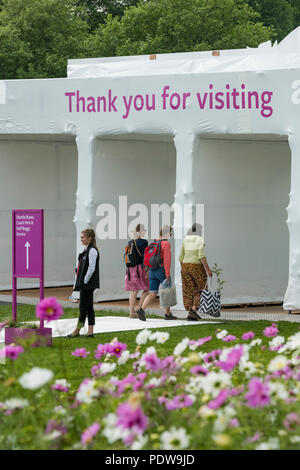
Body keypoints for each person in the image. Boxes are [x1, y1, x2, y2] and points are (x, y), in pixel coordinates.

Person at [136, 225, 177, 321]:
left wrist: (147, 270)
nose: (170, 235)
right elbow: (167, 260)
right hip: (161, 270)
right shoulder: (166, 244)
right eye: (170, 233)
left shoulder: (154, 242)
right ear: (167, 233)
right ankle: (167, 314)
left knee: (153, 292)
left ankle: (141, 309)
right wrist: (167, 274)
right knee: (167, 291)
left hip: (152, 270)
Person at [67, 228, 100, 338]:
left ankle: (77, 330)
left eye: (83, 237)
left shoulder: (92, 251)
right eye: (80, 237)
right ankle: (90, 331)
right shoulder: (86, 250)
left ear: (89, 238)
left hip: (88, 284)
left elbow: (91, 268)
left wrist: (85, 281)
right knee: (89, 306)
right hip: (85, 283)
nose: (81, 239)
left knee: (83, 307)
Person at [179, 223, 212, 320]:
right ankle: (193, 310)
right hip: (196, 266)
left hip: (185, 266)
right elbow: (201, 256)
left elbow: (180, 257)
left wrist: (183, 269)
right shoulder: (200, 240)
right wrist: (208, 270)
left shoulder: (185, 240)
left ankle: (190, 314)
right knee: (202, 288)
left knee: (189, 290)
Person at [125, 224, 149, 318]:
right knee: (147, 289)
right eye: (144, 230)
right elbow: (144, 256)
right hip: (140, 268)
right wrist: (147, 268)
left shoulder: (130, 242)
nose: (145, 232)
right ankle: (139, 308)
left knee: (134, 291)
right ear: (141, 231)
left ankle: (131, 312)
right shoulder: (144, 242)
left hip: (130, 269)